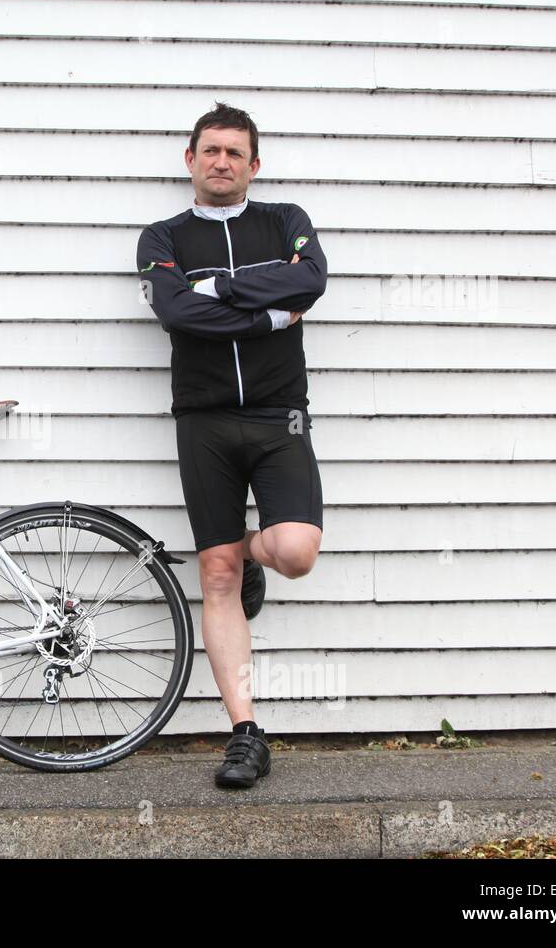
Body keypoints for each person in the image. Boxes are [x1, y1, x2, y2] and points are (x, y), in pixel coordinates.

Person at [136, 103, 326, 789]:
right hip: (205, 421)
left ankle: (251, 551)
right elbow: (174, 310)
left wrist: (218, 287)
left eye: (234, 153)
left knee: (296, 552)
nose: (222, 162)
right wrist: (269, 312)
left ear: (254, 165)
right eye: (210, 151)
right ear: (190, 160)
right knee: (214, 574)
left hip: (280, 417)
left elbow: (311, 280)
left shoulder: (286, 222)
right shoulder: (162, 234)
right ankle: (245, 733)